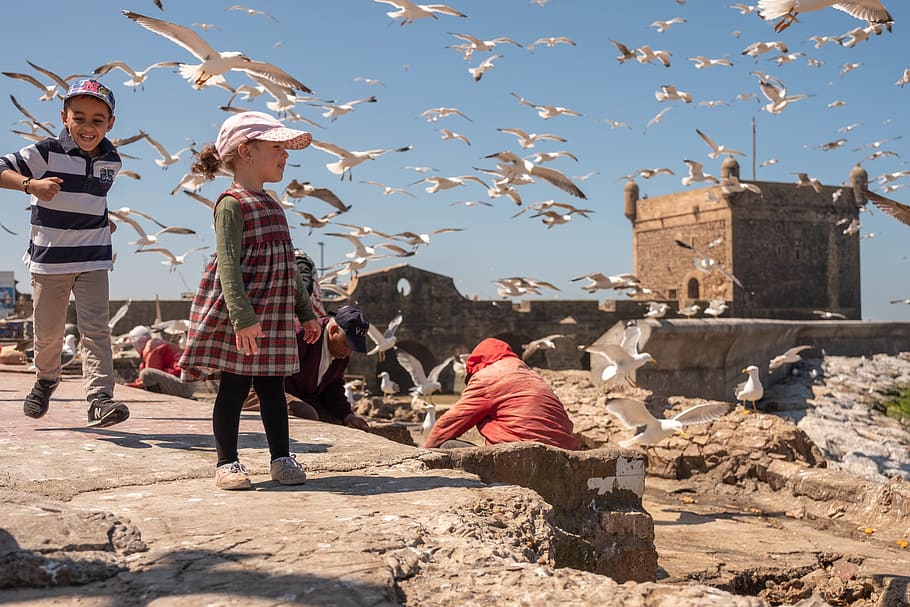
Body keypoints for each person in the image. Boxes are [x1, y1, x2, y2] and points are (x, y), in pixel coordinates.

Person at [178, 111, 321, 491]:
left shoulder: (274, 204)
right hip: (242, 314)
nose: (285, 155)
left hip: (273, 314)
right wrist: (242, 316)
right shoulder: (231, 204)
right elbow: (227, 263)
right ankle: (227, 462)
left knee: (273, 389)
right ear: (245, 151)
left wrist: (306, 314)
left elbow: (289, 267)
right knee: (235, 387)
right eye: (276, 147)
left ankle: (281, 457)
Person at [0, 79, 130, 428]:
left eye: (98, 120)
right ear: (64, 117)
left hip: (93, 257)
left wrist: (104, 222)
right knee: (48, 333)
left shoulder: (112, 160)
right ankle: (46, 380)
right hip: (51, 260)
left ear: (110, 123)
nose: (89, 127)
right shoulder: (45, 152)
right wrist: (31, 185)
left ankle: (100, 399)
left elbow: (92, 196)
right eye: (80, 118)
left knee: (96, 329)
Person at [424, 338, 580, 450]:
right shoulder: (533, 377)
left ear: (478, 365)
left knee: (445, 446)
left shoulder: (487, 377)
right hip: (565, 455)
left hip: (521, 455)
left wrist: (424, 455)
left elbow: (449, 424)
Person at [283, 305, 371, 431]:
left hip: (304, 397)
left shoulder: (341, 352)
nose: (349, 352)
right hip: (264, 389)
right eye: (347, 344)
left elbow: (333, 385)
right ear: (333, 330)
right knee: (305, 413)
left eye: (353, 348)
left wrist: (347, 415)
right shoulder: (301, 335)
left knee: (339, 424)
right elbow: (277, 379)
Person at [126, 325, 195, 399]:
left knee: (146, 373)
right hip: (186, 384)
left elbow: (148, 377)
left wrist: (129, 387)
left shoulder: (151, 348)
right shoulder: (155, 344)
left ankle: (158, 399)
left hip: (184, 387)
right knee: (146, 374)